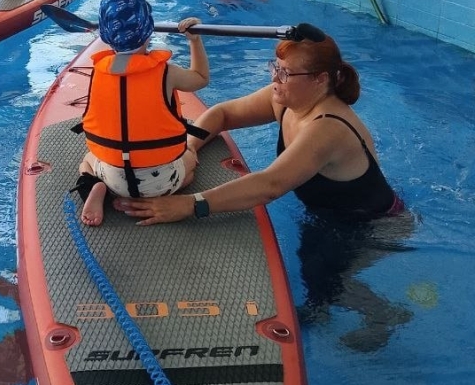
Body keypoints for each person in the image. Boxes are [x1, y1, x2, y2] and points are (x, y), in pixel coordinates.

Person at [114, 33, 414, 350]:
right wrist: (189, 149)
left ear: (319, 79)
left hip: (371, 225)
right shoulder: (286, 100)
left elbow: (270, 185)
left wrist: (191, 204)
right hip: (329, 213)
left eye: (285, 72)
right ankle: (319, 310)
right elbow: (223, 114)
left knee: (332, 282)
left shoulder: (328, 128)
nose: (274, 77)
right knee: (313, 270)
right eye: (275, 67)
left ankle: (385, 314)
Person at [72, 0, 210, 227]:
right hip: (160, 179)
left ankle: (94, 186)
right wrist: (194, 41)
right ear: (149, 31)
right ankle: (158, 194)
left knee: (87, 161)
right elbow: (201, 77)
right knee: (190, 161)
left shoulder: (99, 72)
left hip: (114, 179)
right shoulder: (167, 73)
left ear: (106, 36)